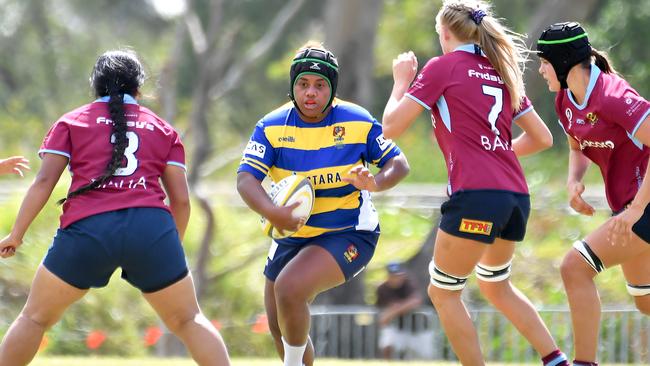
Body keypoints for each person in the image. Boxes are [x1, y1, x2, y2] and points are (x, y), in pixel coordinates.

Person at [0, 50, 230, 366]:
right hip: (151, 228)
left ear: (95, 85)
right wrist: (168, 247)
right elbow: (181, 201)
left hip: (88, 229)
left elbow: (43, 183)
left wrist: (16, 234)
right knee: (189, 320)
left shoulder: (71, 122)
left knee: (34, 318)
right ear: (138, 89)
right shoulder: (163, 129)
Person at [381, 1, 569, 365]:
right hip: (515, 195)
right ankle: (556, 359)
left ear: (446, 33)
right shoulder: (501, 71)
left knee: (443, 293)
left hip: (476, 196)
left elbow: (390, 127)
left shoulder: (442, 67)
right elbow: (543, 138)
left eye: (439, 35)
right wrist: (494, 152)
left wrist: (400, 82)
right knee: (497, 285)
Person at [237, 41, 410, 366]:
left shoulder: (356, 121)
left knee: (290, 290)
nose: (311, 92)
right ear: (292, 87)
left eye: (320, 85)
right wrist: (272, 211)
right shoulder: (272, 127)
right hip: (291, 235)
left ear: (333, 89)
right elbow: (246, 179)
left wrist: (375, 182)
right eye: (303, 84)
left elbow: (398, 164)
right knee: (278, 322)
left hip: (348, 232)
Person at [537, 22, 650, 366]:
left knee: (575, 267)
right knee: (645, 302)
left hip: (642, 206)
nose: (540, 70)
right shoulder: (564, 101)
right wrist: (574, 181)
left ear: (564, 61)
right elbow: (576, 145)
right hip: (628, 208)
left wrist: (635, 211)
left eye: (544, 61)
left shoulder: (614, 97)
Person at [375, 261, 424, 360]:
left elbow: (416, 301)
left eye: (398, 275)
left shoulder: (409, 284)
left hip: (416, 328)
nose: (396, 278)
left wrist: (393, 312)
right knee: (387, 346)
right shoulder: (382, 288)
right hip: (395, 326)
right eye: (393, 275)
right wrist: (403, 307)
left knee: (423, 356)